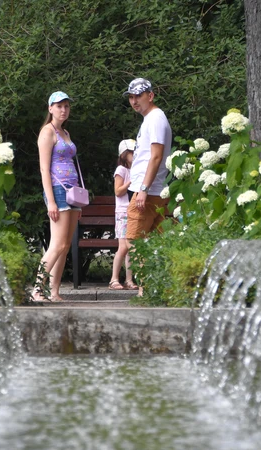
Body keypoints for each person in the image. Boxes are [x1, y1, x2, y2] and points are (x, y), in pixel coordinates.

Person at [123, 78, 172, 294]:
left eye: (138, 96)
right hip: (152, 189)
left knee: (134, 240)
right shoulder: (151, 119)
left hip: (148, 191)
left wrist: (143, 188)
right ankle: (154, 288)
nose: (134, 101)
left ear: (150, 96)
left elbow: (156, 157)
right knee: (154, 240)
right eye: (131, 97)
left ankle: (145, 289)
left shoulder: (155, 118)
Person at [35, 90, 82, 302]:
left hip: (73, 193)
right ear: (50, 108)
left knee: (65, 246)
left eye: (66, 106)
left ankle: (54, 292)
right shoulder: (48, 132)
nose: (63, 110)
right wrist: (51, 201)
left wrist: (79, 202)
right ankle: (37, 289)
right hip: (58, 190)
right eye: (59, 106)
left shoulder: (66, 133)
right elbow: (44, 169)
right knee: (58, 245)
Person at [110, 139, 137, 290]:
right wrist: (130, 183)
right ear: (124, 154)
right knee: (123, 247)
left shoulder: (136, 169)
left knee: (131, 246)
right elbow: (118, 191)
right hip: (122, 212)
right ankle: (114, 279)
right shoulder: (121, 170)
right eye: (132, 152)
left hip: (133, 211)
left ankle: (128, 279)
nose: (135, 154)